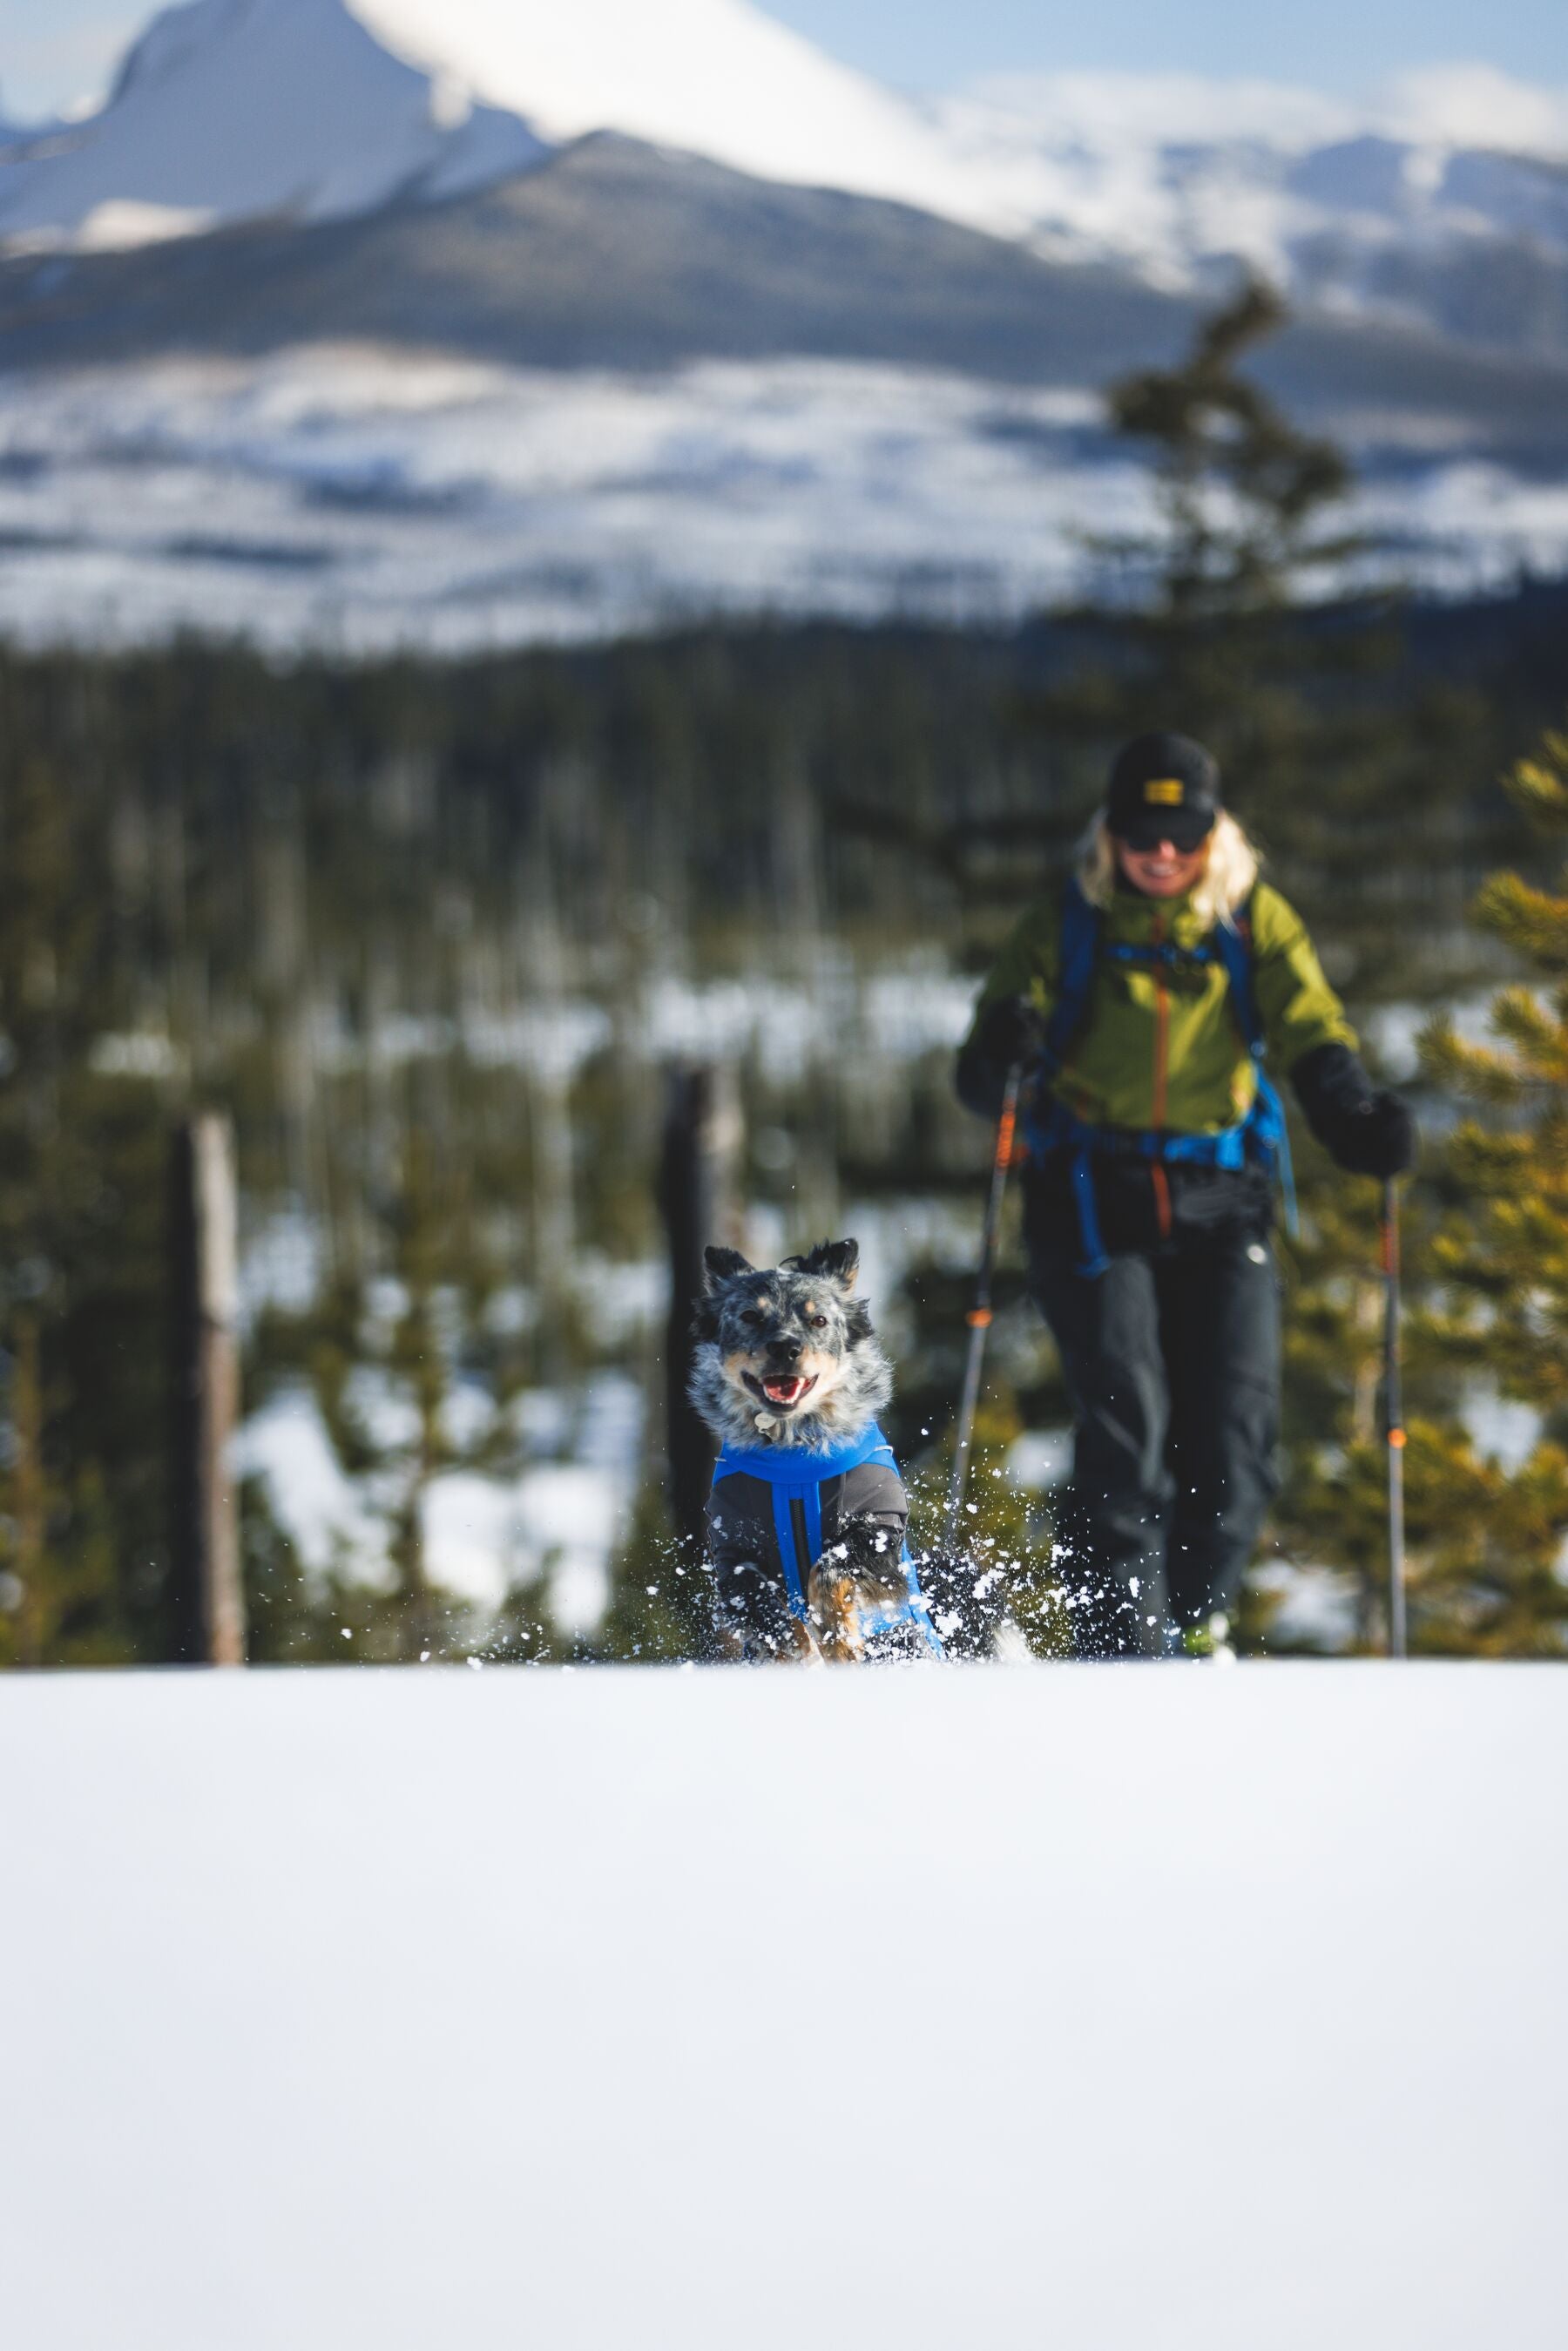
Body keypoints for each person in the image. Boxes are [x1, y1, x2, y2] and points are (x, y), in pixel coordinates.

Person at [956, 731, 1414, 1657]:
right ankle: (1120, 1644)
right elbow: (980, 1076)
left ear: (1213, 833)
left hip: (1221, 1189)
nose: (1161, 852)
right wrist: (1003, 1045)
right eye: (1141, 831)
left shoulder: (1251, 920)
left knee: (1236, 1442)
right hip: (1092, 1190)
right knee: (1127, 1418)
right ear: (1111, 833)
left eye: (1181, 833)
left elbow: (1309, 1024)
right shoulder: (1069, 921)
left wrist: (1350, 1108)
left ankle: (1196, 1623)